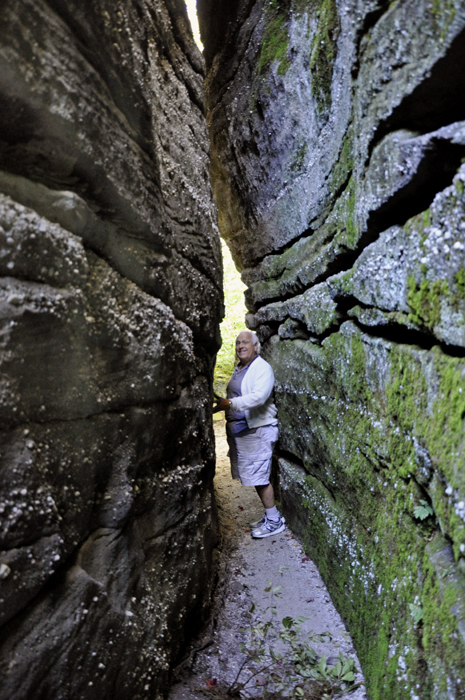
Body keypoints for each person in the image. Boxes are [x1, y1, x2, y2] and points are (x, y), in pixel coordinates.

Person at [213, 330, 285, 538]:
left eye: (245, 342)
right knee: (255, 476)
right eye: (237, 343)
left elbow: (258, 397)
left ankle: (274, 520)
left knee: (260, 477)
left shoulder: (261, 368)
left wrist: (230, 403)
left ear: (256, 346)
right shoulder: (240, 369)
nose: (240, 346)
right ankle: (270, 515)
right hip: (243, 432)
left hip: (258, 431)